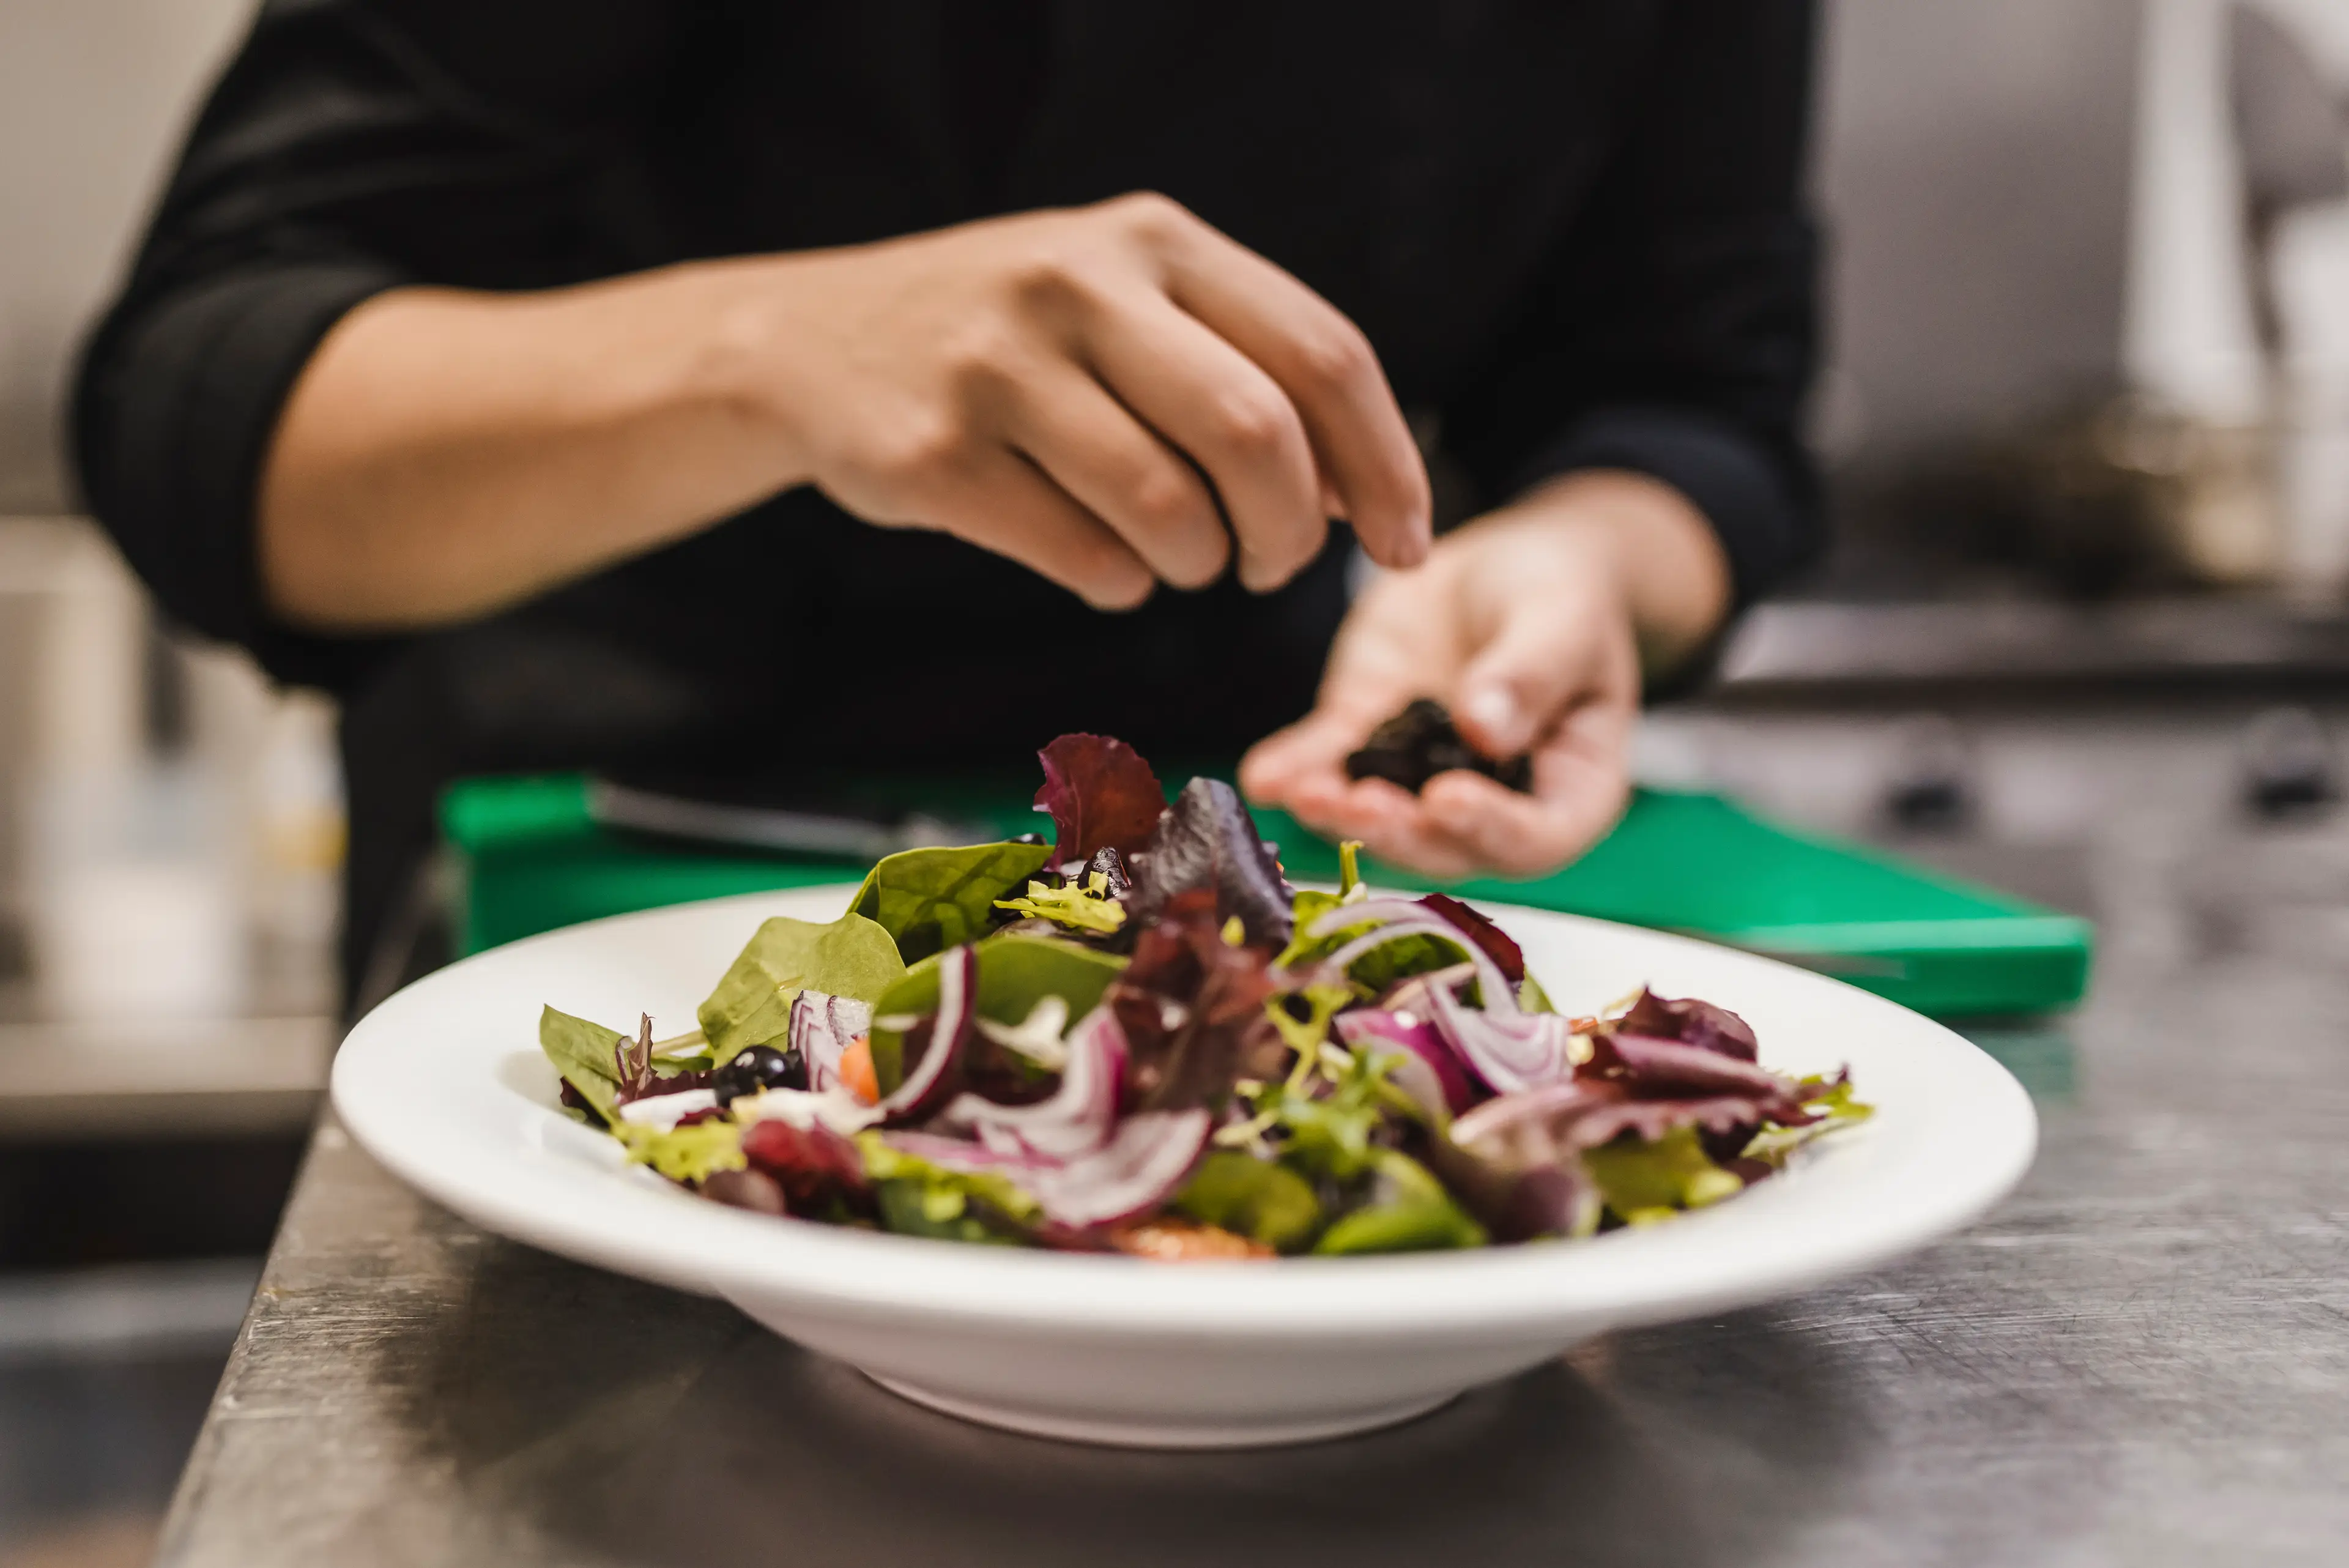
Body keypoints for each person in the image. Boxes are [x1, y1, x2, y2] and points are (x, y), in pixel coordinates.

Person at [73, 1, 1820, 1004]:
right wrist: (770, 353)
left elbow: (1695, 403)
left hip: (1236, 906)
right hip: (600, 905)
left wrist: (1584, 556)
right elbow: (200, 420)